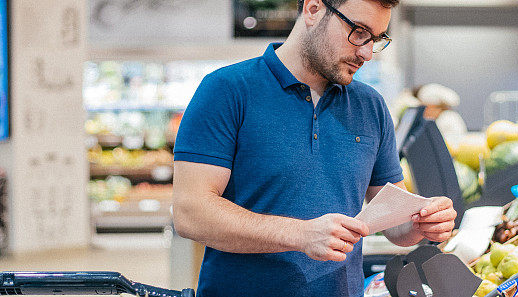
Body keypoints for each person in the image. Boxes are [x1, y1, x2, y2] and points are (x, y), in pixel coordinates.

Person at [171, 0, 457, 296]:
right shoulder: (227, 90)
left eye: (376, 39)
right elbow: (191, 213)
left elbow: (393, 223)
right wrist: (301, 235)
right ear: (313, 9)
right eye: (359, 32)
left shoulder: (371, 106)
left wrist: (421, 222)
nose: (367, 53)